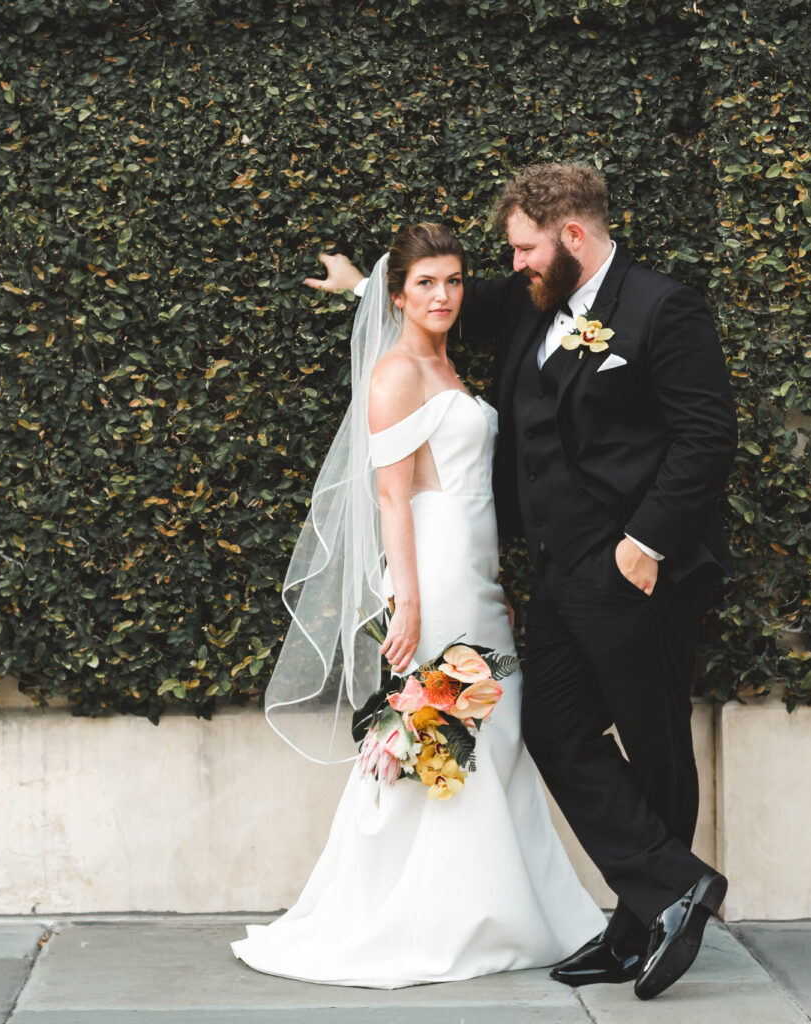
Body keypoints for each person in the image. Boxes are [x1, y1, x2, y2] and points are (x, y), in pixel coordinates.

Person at [304, 164, 737, 1001]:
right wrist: (364, 286)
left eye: (524, 249)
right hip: (554, 580)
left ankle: (639, 922)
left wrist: (646, 543)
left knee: (653, 746)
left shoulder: (661, 307)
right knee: (556, 733)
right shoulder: (534, 301)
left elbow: (707, 437)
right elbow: (426, 303)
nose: (515, 266)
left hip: (635, 574)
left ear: (571, 237)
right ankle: (667, 892)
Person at [231, 223, 605, 987]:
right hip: (436, 571)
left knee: (487, 728)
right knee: (443, 725)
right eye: (425, 283)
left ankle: (499, 907)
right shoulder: (397, 372)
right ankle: (436, 917)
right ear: (397, 294)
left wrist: (360, 287)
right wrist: (407, 604)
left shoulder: (447, 362)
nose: (443, 295)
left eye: (455, 280)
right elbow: (391, 499)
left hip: (478, 567)